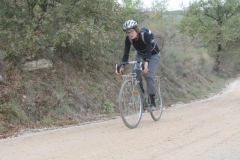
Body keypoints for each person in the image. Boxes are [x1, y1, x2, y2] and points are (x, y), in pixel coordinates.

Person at [116, 20, 161, 112]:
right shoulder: (128, 39)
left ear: (136, 30)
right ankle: (141, 95)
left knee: (148, 75)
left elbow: (148, 52)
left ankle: (152, 101)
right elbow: (126, 54)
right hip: (141, 55)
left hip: (153, 55)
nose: (130, 34)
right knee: (136, 73)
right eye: (128, 32)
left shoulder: (145, 35)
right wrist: (122, 66)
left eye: (131, 31)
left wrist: (146, 63)